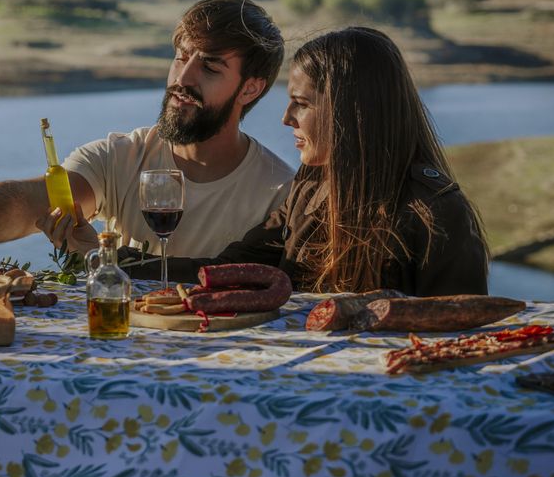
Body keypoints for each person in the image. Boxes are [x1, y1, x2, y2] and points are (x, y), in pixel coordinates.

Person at [0, 0, 295, 268]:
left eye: (210, 67)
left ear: (251, 88)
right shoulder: (119, 156)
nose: (182, 78)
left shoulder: (279, 191)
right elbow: (26, 203)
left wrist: (101, 260)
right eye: (180, 58)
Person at [103, 26, 489, 296]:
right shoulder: (310, 184)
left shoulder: (435, 212)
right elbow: (234, 271)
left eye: (301, 104)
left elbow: (463, 331)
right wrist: (114, 263)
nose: (286, 118)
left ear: (351, 112)